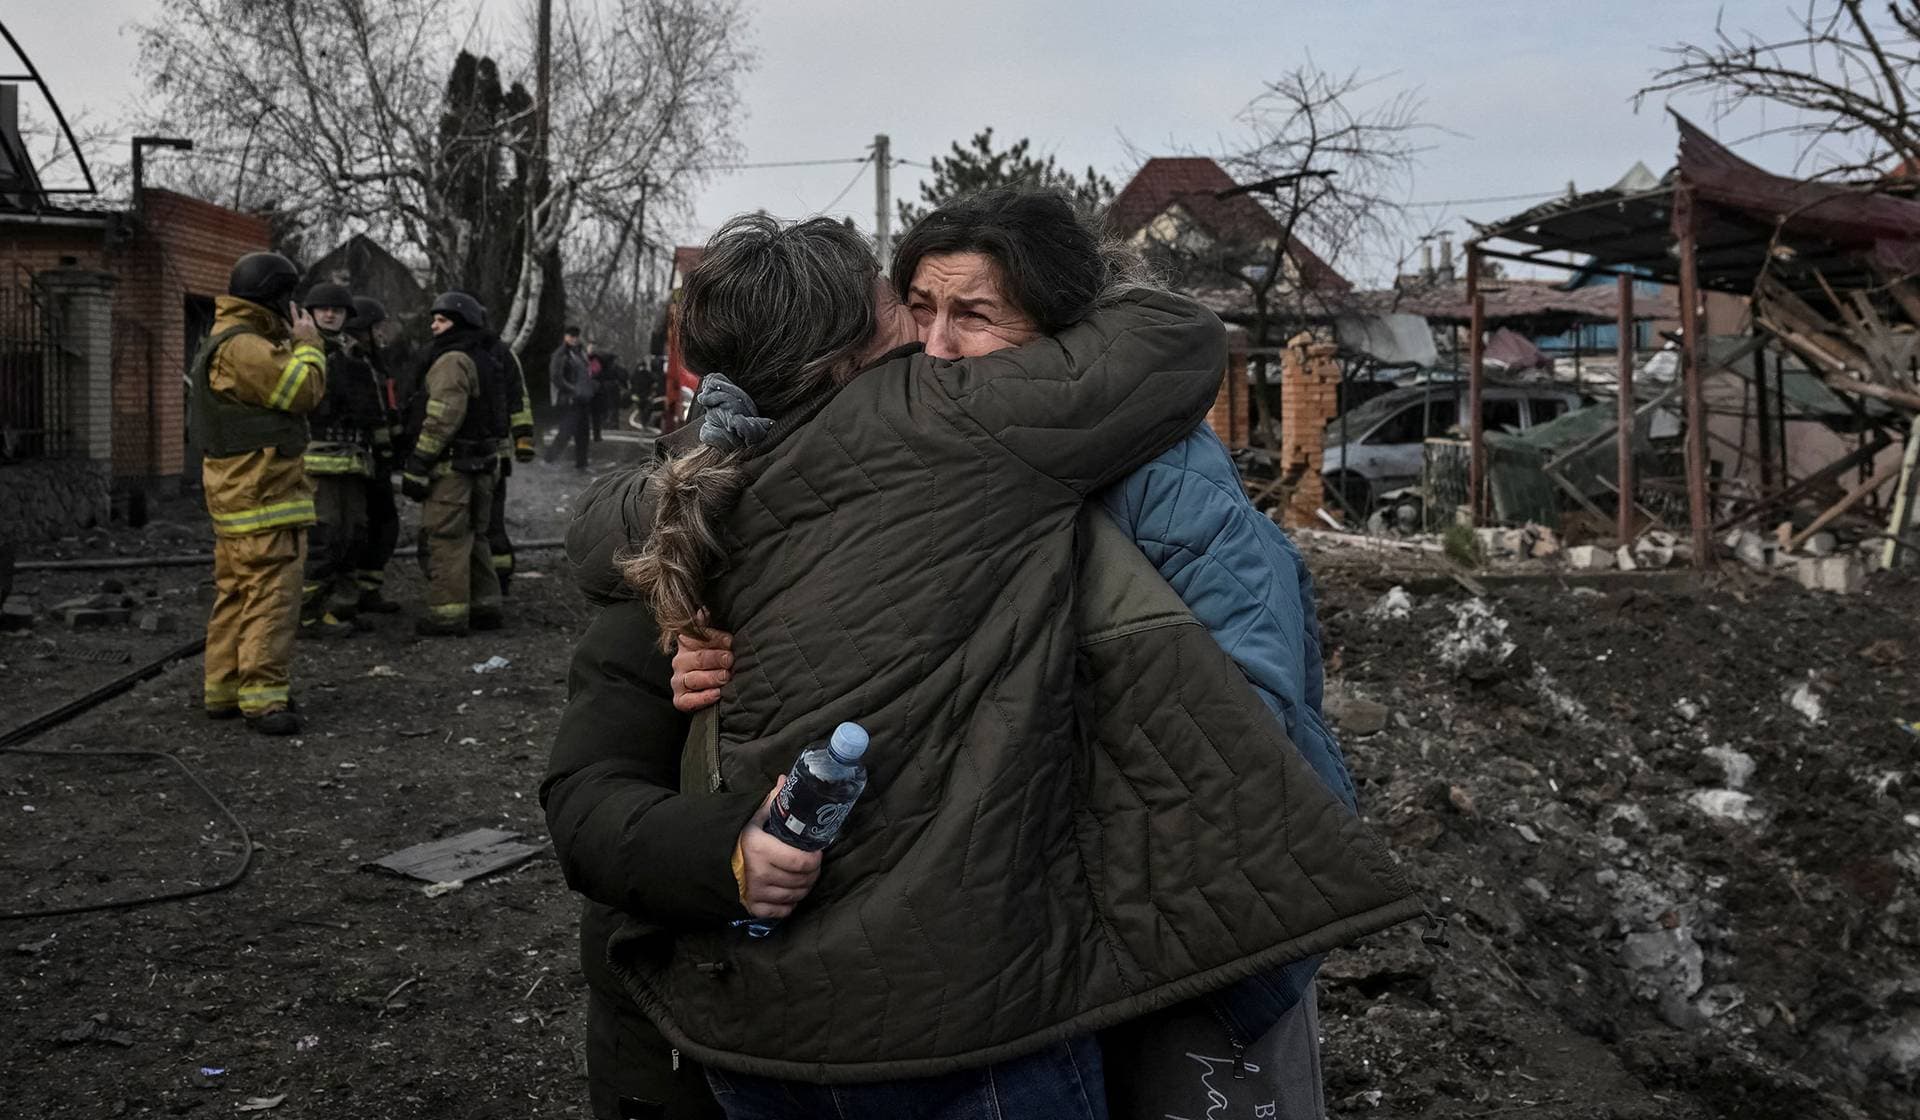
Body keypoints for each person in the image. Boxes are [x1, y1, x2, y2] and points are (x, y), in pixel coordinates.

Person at [544, 211, 1417, 1118]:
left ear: (1062, 335)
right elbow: (1179, 334)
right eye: (914, 307)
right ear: (857, 343)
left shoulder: (684, 495)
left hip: (1129, 940)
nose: (937, 343)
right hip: (963, 1011)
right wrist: (727, 847)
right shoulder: (925, 430)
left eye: (975, 313)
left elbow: (1249, 703)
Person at [189, 251, 327, 736]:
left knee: (235, 594)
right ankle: (264, 701)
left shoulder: (226, 339)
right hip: (263, 499)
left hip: (240, 499)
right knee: (271, 596)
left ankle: (223, 690)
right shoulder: (245, 346)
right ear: (275, 296)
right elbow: (303, 390)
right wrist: (310, 346)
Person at [400, 291, 502, 637]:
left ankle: (448, 615)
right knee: (476, 538)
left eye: (441, 320)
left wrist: (418, 461)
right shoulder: (486, 358)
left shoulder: (451, 360)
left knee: (446, 540)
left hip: (451, 471)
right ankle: (486, 606)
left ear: (459, 324)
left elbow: (442, 417)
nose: (433, 325)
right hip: (481, 467)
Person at [297, 281, 386, 638]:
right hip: (317, 462)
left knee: (353, 536)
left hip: (354, 461)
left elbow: (374, 409)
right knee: (324, 536)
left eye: (337, 309)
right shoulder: (301, 350)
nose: (330, 314)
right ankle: (305, 615)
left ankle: (340, 609)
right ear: (311, 313)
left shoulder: (356, 355)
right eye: (323, 309)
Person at [344, 296, 405, 616]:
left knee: (384, 525)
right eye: (375, 327)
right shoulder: (351, 360)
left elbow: (388, 407)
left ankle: (369, 589)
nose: (381, 333)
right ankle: (349, 592)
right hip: (358, 457)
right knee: (359, 527)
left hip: (380, 457)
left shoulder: (376, 360)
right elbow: (365, 411)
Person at [547, 325, 595, 471]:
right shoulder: (561, 354)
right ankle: (549, 459)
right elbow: (556, 377)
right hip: (570, 400)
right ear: (565, 336)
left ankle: (582, 464)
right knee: (566, 432)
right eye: (571, 335)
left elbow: (586, 373)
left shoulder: (579, 353)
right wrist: (573, 389)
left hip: (582, 399)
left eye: (576, 336)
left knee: (583, 434)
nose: (574, 338)